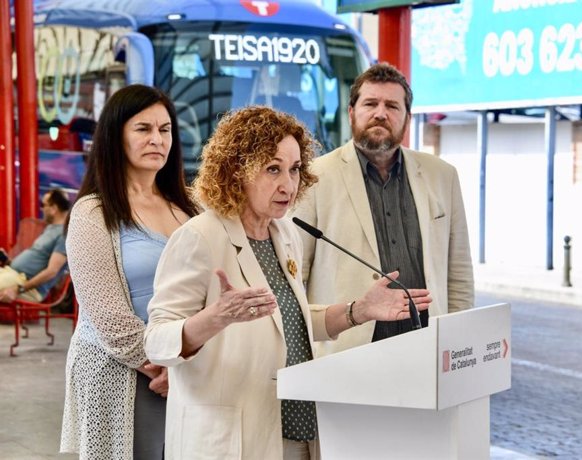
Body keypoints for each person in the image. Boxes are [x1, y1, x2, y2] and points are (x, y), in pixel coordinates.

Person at [144, 106, 431, 459]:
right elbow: (157, 340)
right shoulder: (200, 237)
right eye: (273, 169)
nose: (288, 184)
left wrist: (359, 311)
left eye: (295, 169)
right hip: (231, 441)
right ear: (237, 171)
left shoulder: (283, 232)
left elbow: (290, 323)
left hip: (295, 433)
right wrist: (217, 317)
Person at [292, 62, 474, 357]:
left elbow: (459, 275)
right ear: (352, 113)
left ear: (407, 118)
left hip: (428, 349)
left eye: (392, 105)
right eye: (370, 103)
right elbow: (294, 276)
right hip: (346, 353)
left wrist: (458, 345)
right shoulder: (313, 177)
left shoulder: (443, 175)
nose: (380, 113)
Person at [60, 84, 199, 459]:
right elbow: (108, 316)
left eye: (165, 129)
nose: (157, 139)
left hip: (190, 372)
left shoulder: (192, 205)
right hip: (124, 373)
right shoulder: (93, 212)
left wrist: (190, 364)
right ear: (115, 135)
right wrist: (163, 366)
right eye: (143, 129)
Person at [0, 188, 71, 303]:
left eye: (43, 205)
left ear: (53, 209)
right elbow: (35, 262)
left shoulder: (63, 234)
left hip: (24, 284)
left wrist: (18, 289)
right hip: (13, 274)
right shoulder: (50, 229)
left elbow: (51, 271)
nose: (41, 208)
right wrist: (7, 260)